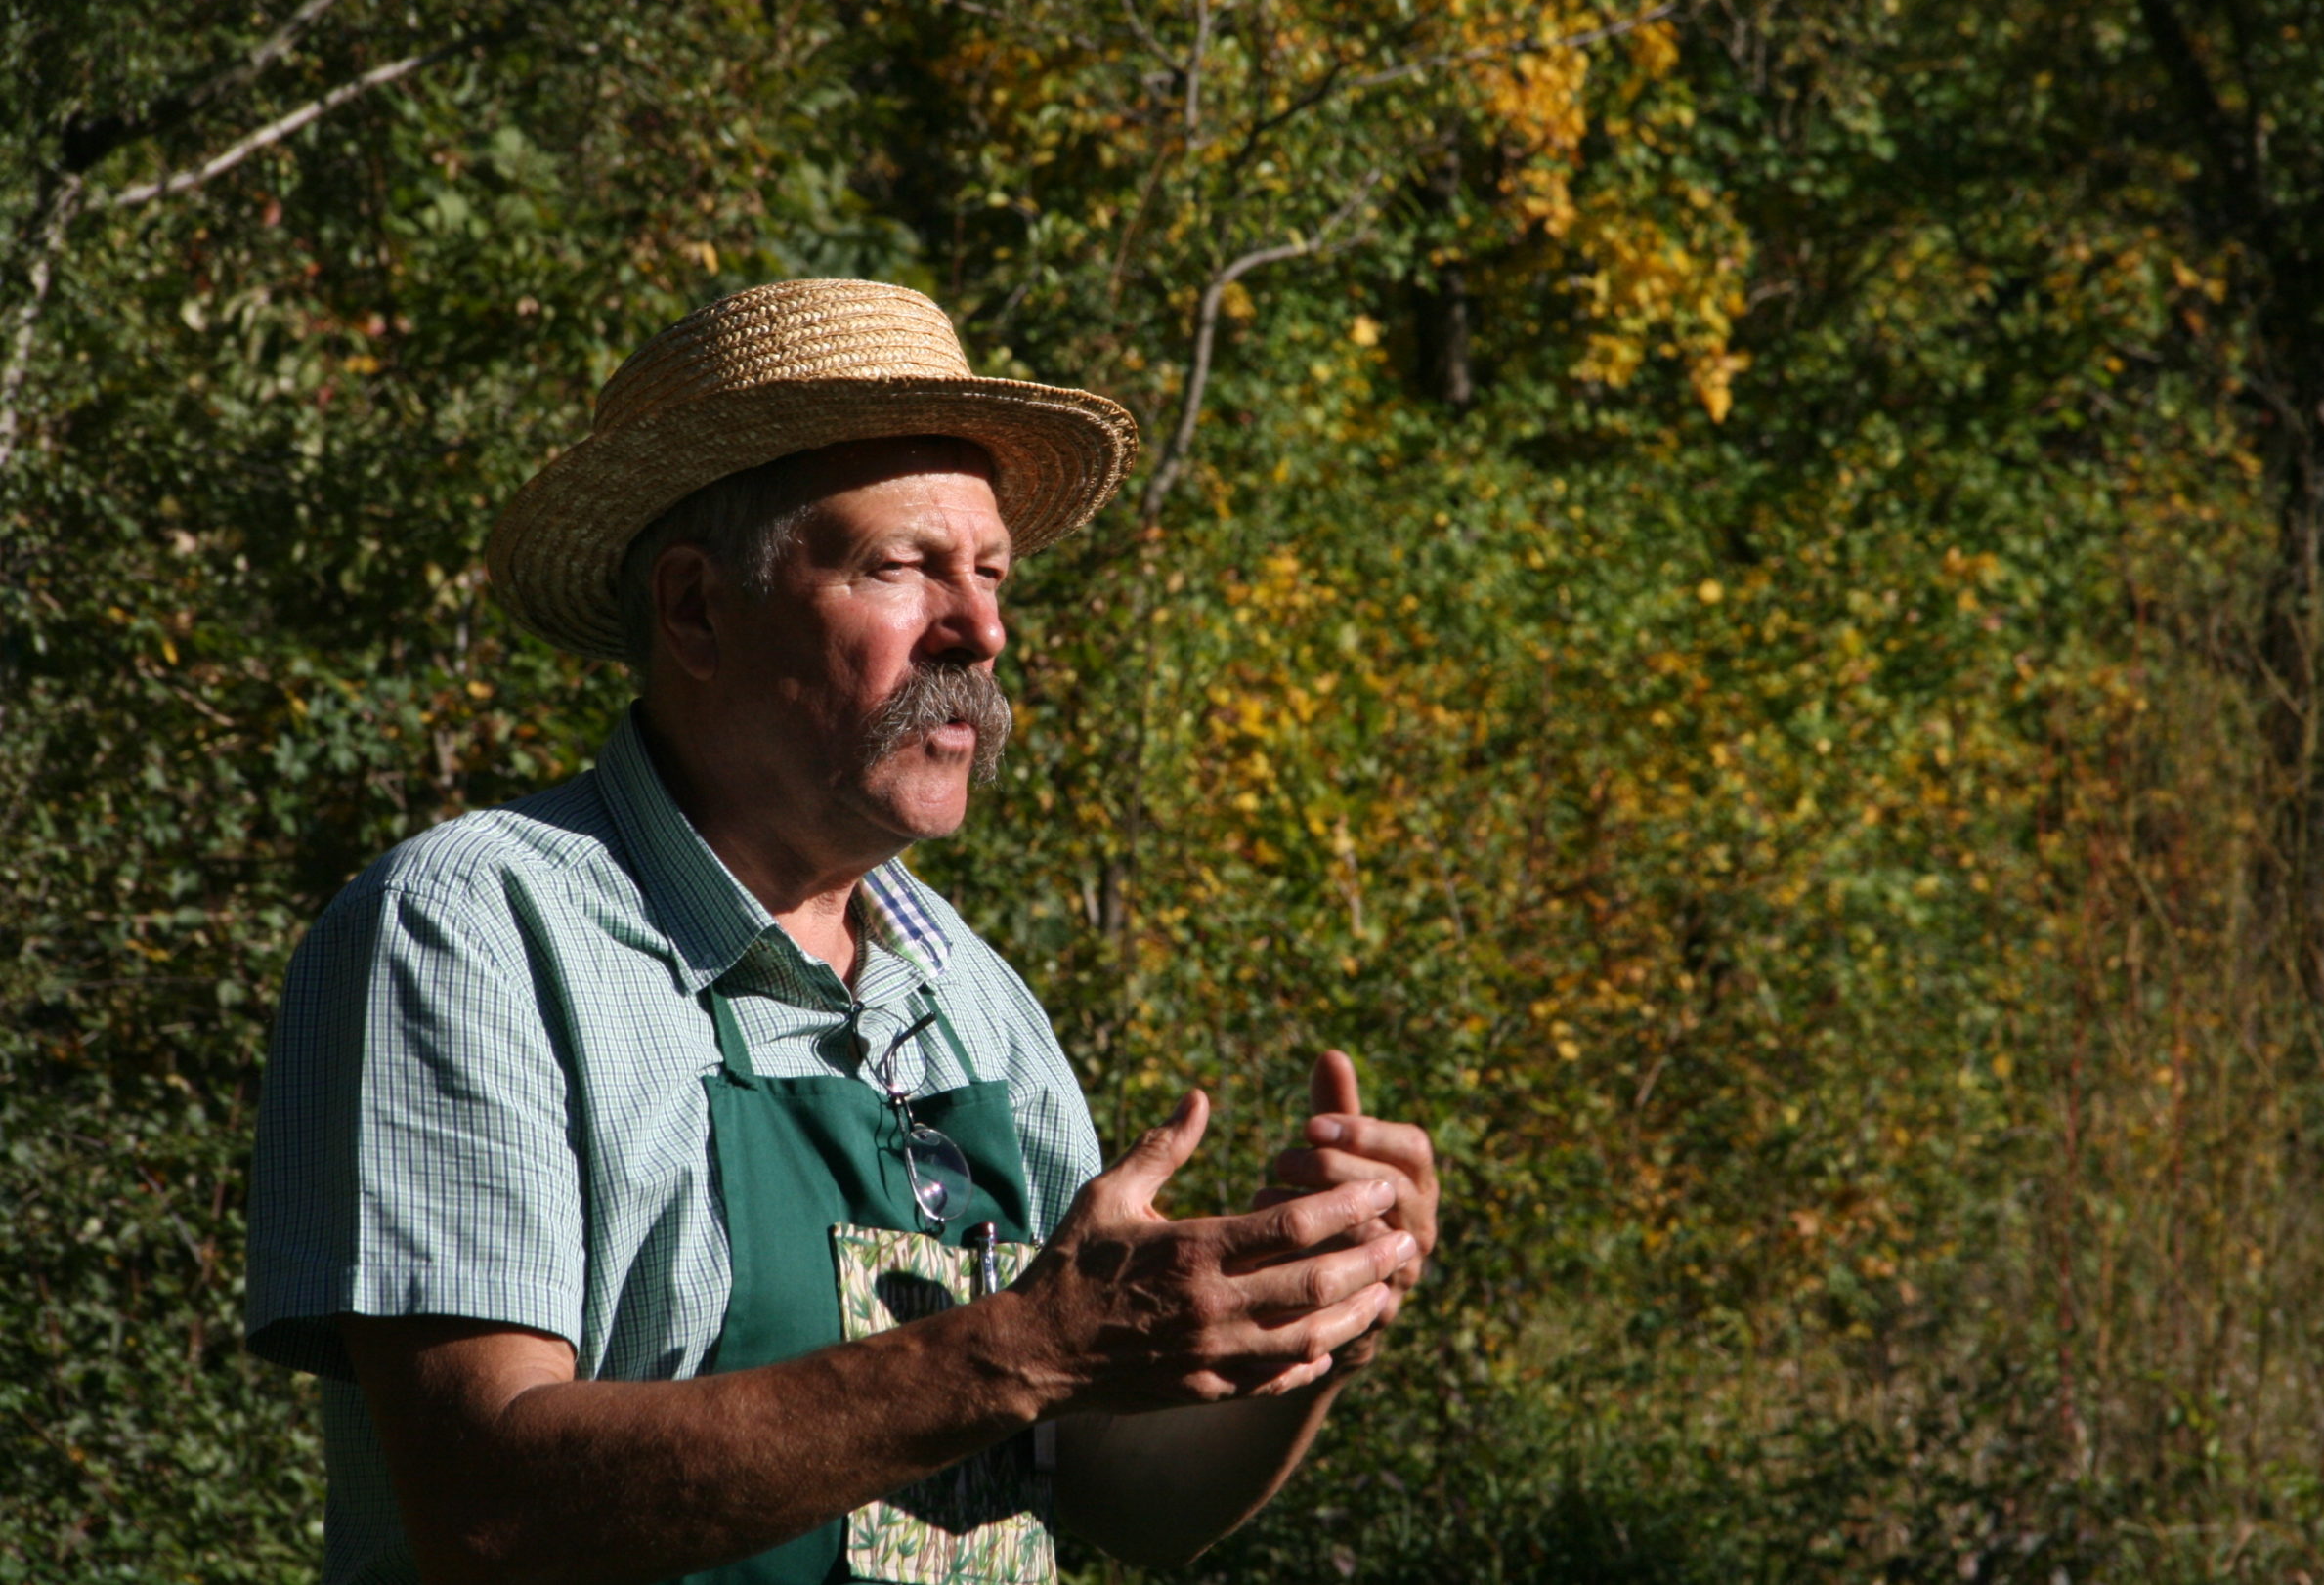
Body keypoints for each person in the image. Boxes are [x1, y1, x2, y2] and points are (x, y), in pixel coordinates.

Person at [243, 278, 1441, 1585]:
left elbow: (1122, 1498)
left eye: (989, 573)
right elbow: (491, 1506)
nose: (980, 628)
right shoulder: (479, 929)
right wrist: (1032, 1343)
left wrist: (1316, 1308)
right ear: (695, 610)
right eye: (902, 566)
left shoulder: (972, 998)